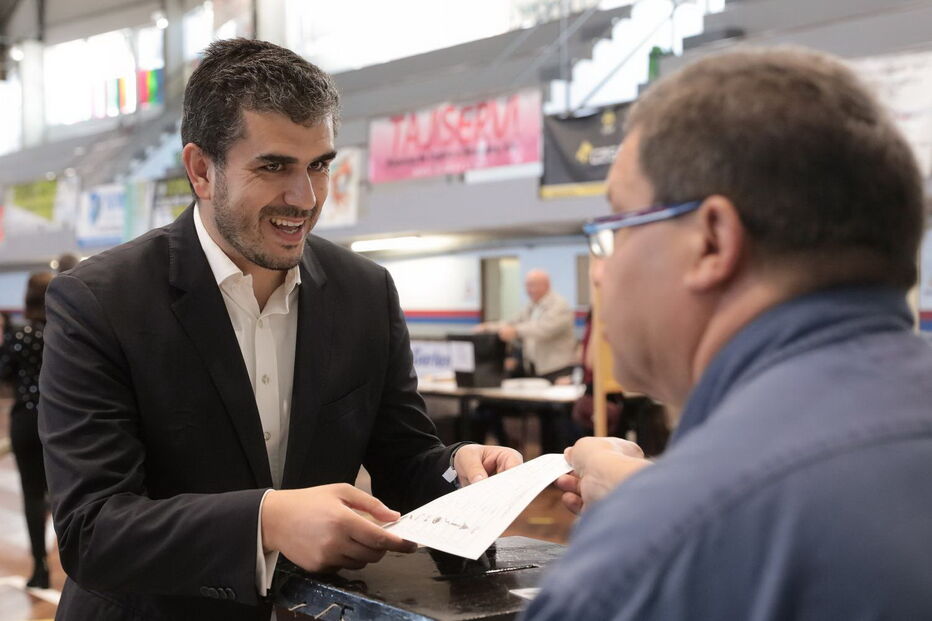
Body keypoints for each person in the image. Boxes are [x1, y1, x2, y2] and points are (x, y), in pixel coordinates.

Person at [38, 38, 520, 621]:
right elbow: (92, 529)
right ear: (201, 170)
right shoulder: (100, 302)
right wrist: (266, 522)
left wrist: (462, 472)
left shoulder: (364, 292)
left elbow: (405, 456)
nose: (307, 198)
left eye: (319, 164)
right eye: (274, 167)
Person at [525, 47, 932, 619]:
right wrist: (653, 490)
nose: (601, 268)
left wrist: (661, 515)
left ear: (711, 242)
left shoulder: (644, 563)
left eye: (616, 226)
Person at [0, 272, 54, 589]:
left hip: (25, 420)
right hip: (60, 421)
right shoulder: (64, 333)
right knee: (65, 493)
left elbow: (4, 373)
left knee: (32, 494)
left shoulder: (20, 336)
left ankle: (40, 568)